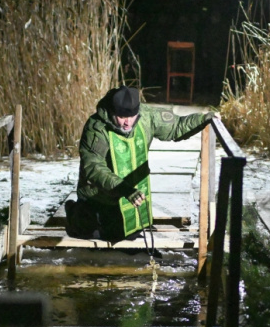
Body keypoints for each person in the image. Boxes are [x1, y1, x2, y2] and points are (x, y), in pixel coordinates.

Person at [66, 86, 217, 242]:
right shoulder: (96, 128)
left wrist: (203, 119)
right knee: (92, 232)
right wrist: (124, 189)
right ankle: (74, 212)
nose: (128, 122)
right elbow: (94, 168)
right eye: (122, 117)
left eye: (132, 116)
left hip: (130, 193)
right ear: (112, 112)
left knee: (127, 235)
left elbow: (176, 126)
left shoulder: (147, 116)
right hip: (99, 195)